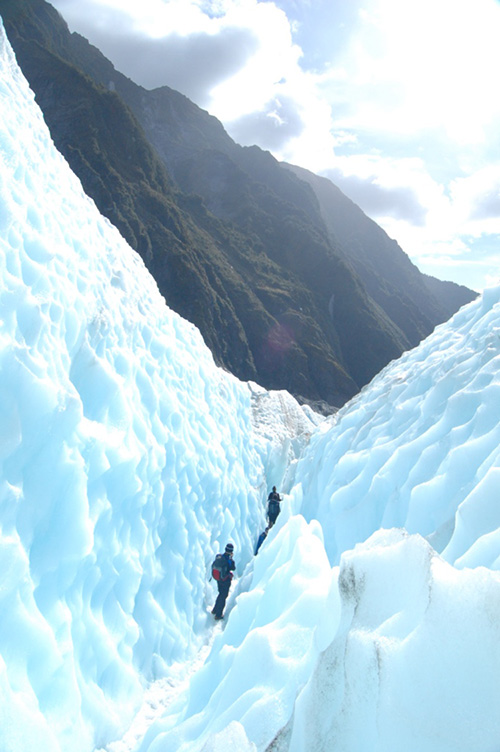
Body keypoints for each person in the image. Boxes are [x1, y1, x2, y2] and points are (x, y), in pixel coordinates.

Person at [212, 543, 236, 620]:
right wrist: (231, 558)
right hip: (225, 580)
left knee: (220, 593)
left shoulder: (220, 557)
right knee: (223, 596)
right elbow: (233, 568)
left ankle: (215, 610)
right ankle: (218, 615)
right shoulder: (229, 560)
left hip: (219, 579)